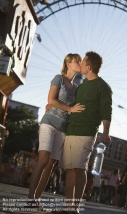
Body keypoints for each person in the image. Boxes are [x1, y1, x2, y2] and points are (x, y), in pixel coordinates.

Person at [27, 53, 85, 209]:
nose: (80, 63)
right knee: (43, 159)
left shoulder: (78, 88)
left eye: (80, 61)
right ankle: (30, 198)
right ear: (68, 64)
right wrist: (70, 108)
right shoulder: (58, 79)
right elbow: (51, 100)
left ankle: (36, 200)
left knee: (51, 164)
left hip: (63, 129)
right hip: (50, 123)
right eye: (77, 61)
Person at [59, 51, 112, 214]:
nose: (80, 63)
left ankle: (74, 209)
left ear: (88, 67)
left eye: (83, 61)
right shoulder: (81, 87)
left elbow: (106, 110)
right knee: (69, 169)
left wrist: (106, 132)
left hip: (86, 132)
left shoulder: (103, 87)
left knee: (79, 168)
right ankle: (68, 207)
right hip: (72, 130)